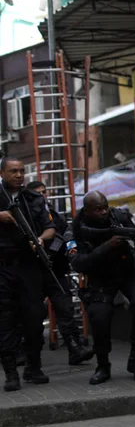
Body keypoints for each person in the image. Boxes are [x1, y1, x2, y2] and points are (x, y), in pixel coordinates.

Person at [63, 191, 135, 385]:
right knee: (99, 316)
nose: (104, 212)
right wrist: (107, 246)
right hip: (100, 276)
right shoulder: (75, 230)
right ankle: (103, 365)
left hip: (128, 269)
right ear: (87, 210)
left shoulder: (121, 217)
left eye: (105, 206)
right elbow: (78, 263)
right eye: (98, 209)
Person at [0, 157, 55, 391]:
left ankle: (33, 367)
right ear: (2, 173)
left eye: (22, 171)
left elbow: (50, 227)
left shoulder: (32, 198)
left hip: (28, 266)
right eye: (13, 171)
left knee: (34, 318)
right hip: (2, 267)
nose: (19, 175)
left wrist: (41, 239)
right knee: (5, 321)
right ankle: (11, 373)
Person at [26, 181, 94, 366]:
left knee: (65, 310)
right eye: (38, 193)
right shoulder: (28, 215)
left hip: (55, 270)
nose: (43, 196)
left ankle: (75, 349)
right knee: (32, 315)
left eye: (44, 192)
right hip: (34, 272)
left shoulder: (53, 215)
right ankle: (29, 357)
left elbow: (65, 234)